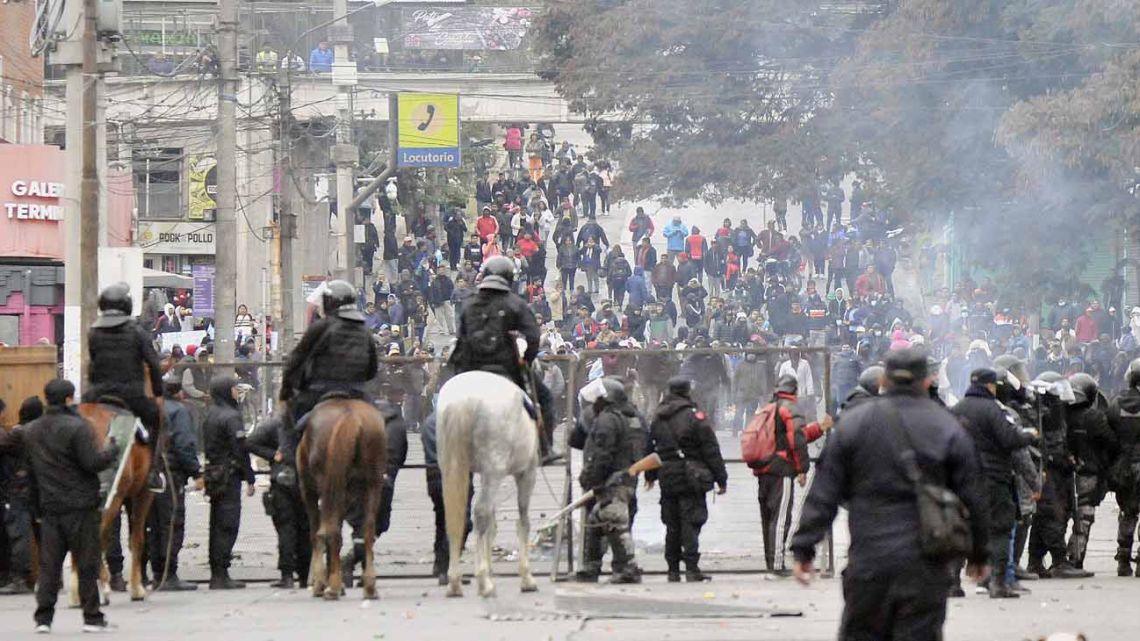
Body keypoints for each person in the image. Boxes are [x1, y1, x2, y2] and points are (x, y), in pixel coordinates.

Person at [790, 349, 990, 640]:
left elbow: (825, 492)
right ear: (927, 381)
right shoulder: (948, 426)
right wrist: (979, 555)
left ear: (884, 379)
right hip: (926, 565)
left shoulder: (855, 424)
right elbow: (974, 496)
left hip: (869, 562)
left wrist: (804, 548)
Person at [0, 380, 119, 633]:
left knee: (49, 566)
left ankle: (43, 619)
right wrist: (112, 451)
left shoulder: (32, 430)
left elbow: (30, 471)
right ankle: (92, 618)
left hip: (50, 507)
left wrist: (36, 507)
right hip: (81, 506)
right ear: (68, 399)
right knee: (87, 562)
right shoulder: (79, 427)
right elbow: (91, 463)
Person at [448, 256, 552, 452]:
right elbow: (533, 337)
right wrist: (526, 362)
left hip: (471, 367)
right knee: (544, 398)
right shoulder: (515, 303)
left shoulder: (469, 303)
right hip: (507, 366)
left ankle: (440, 448)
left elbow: (460, 338)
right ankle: (545, 449)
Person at [950, 368, 1035, 598]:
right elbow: (1009, 438)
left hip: (961, 479)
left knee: (960, 528)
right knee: (999, 528)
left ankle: (952, 584)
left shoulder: (955, 409)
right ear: (990, 386)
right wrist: (1028, 435)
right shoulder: (994, 409)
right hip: (993, 478)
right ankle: (997, 583)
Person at [280, 280, 378, 455]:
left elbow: (296, 359)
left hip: (320, 391)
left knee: (289, 425)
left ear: (329, 302)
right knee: (382, 424)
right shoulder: (365, 331)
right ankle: (384, 471)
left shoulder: (321, 326)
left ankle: (287, 468)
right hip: (358, 392)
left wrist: (286, 391)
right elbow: (372, 369)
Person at [646, 377, 727, 583]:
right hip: (691, 475)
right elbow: (710, 448)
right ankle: (691, 568)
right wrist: (721, 478)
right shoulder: (694, 416)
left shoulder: (658, 416)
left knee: (672, 524)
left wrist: (650, 475)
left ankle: (672, 569)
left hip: (667, 474)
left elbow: (650, 448)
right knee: (690, 522)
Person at [86, 283, 164, 489]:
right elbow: (154, 365)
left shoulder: (93, 333)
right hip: (131, 396)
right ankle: (153, 473)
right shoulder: (138, 333)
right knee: (156, 420)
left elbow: (93, 365)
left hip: (97, 394)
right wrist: (158, 393)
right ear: (128, 305)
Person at [751, 375, 833, 571]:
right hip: (781, 469)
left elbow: (797, 434)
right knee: (780, 519)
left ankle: (771, 562)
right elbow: (796, 439)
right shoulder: (790, 407)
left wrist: (819, 429)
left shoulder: (769, 407)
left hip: (764, 469)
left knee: (768, 518)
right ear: (794, 390)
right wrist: (802, 469)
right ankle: (777, 566)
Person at [576, 378, 643, 584]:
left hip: (611, 480)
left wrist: (591, 478)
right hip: (627, 478)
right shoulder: (633, 417)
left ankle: (628, 567)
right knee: (597, 523)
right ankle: (591, 567)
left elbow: (602, 454)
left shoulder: (608, 420)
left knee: (615, 523)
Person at [147, 373, 202, 591]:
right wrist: (196, 472)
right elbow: (184, 445)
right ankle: (169, 574)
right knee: (172, 523)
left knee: (153, 524)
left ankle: (156, 572)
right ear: (178, 392)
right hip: (171, 473)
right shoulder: (180, 412)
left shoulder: (151, 410)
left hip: (151, 474)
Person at [202, 375, 255, 590]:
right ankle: (221, 574)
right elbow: (240, 450)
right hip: (229, 475)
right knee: (228, 523)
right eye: (234, 389)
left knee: (215, 523)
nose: (236, 393)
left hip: (213, 473)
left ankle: (217, 571)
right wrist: (250, 477)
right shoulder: (232, 417)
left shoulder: (210, 415)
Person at [246, 414, 309, 589]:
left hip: (283, 480)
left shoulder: (277, 422)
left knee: (286, 528)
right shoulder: (314, 420)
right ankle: (304, 575)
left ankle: (287, 575)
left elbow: (250, 442)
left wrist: (273, 455)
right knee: (305, 528)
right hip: (305, 481)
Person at [0, 396, 42, 595]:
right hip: (41, 490)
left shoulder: (21, 433)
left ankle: (20, 579)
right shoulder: (45, 430)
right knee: (45, 535)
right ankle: (53, 577)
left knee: (19, 534)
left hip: (20, 490)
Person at [1109, 358, 1140, 576]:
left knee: (1127, 512)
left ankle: (1123, 560)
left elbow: (1109, 434)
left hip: (1124, 466)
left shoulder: (1116, 403)